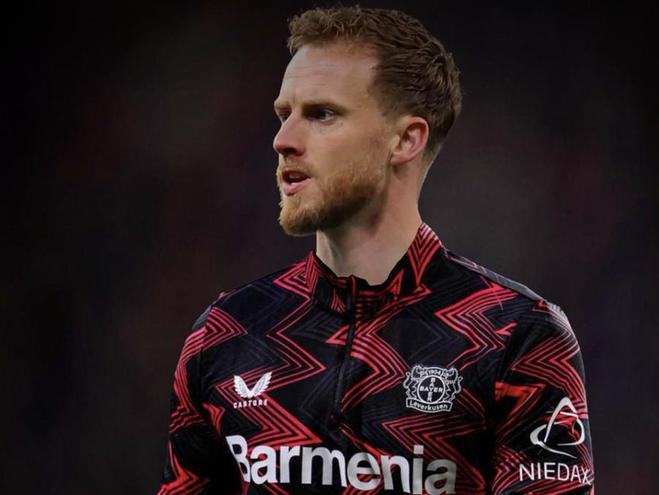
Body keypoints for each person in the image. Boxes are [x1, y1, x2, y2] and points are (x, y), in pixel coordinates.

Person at [157, 6, 594, 494]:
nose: (283, 140)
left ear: (405, 140)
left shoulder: (516, 337)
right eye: (284, 115)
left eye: (322, 114)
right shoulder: (226, 333)